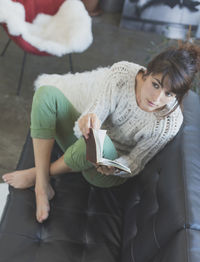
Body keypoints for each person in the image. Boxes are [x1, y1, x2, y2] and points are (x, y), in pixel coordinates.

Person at [2, 42, 200, 223]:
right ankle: (43, 186)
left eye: (168, 93)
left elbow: (135, 163)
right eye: (155, 84)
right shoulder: (122, 73)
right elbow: (97, 108)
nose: (157, 98)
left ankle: (39, 177)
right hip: (88, 145)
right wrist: (89, 119)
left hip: (105, 172)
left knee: (101, 142)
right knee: (46, 94)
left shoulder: (169, 122)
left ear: (176, 96)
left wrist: (115, 167)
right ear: (147, 72)